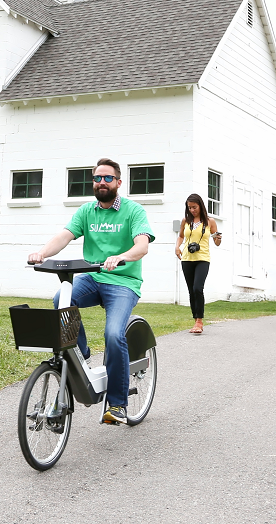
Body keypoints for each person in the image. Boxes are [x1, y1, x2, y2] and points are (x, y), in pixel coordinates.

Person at [28, 158, 154, 425]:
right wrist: (42, 252)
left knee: (113, 333)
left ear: (119, 183)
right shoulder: (87, 211)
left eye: (108, 178)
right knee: (61, 300)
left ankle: (117, 404)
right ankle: (81, 353)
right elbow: (64, 236)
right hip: (94, 279)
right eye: (97, 178)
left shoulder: (133, 211)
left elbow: (142, 246)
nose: (102, 182)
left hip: (123, 283)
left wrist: (121, 257)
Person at [175, 193, 221, 334]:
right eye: (189, 208)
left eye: (194, 207)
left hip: (202, 259)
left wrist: (218, 238)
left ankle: (200, 321)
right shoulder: (185, 221)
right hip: (187, 259)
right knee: (191, 290)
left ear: (200, 206)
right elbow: (181, 235)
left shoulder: (210, 221)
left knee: (197, 288)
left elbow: (217, 242)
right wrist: (177, 247)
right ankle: (195, 320)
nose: (192, 210)